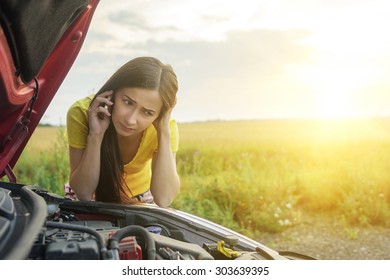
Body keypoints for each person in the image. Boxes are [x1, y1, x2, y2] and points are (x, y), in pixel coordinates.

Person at [65, 57, 180, 207]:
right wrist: (96, 135)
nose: (131, 120)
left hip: (140, 198)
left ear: (159, 114)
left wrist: (163, 131)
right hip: (89, 199)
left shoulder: (163, 127)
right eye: (127, 102)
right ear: (113, 91)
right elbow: (84, 193)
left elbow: (164, 199)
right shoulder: (82, 112)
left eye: (148, 113)